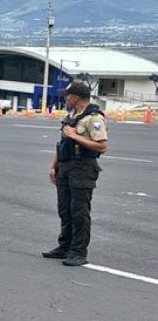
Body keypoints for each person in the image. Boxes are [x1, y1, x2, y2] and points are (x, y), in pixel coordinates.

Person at [44, 81, 107, 267]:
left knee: (79, 211)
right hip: (65, 167)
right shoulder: (71, 117)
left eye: (68, 95)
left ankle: (78, 251)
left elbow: (102, 146)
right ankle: (64, 246)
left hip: (83, 168)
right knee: (64, 209)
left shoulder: (93, 119)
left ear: (76, 97)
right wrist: (53, 166)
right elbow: (62, 145)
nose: (65, 98)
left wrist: (75, 136)